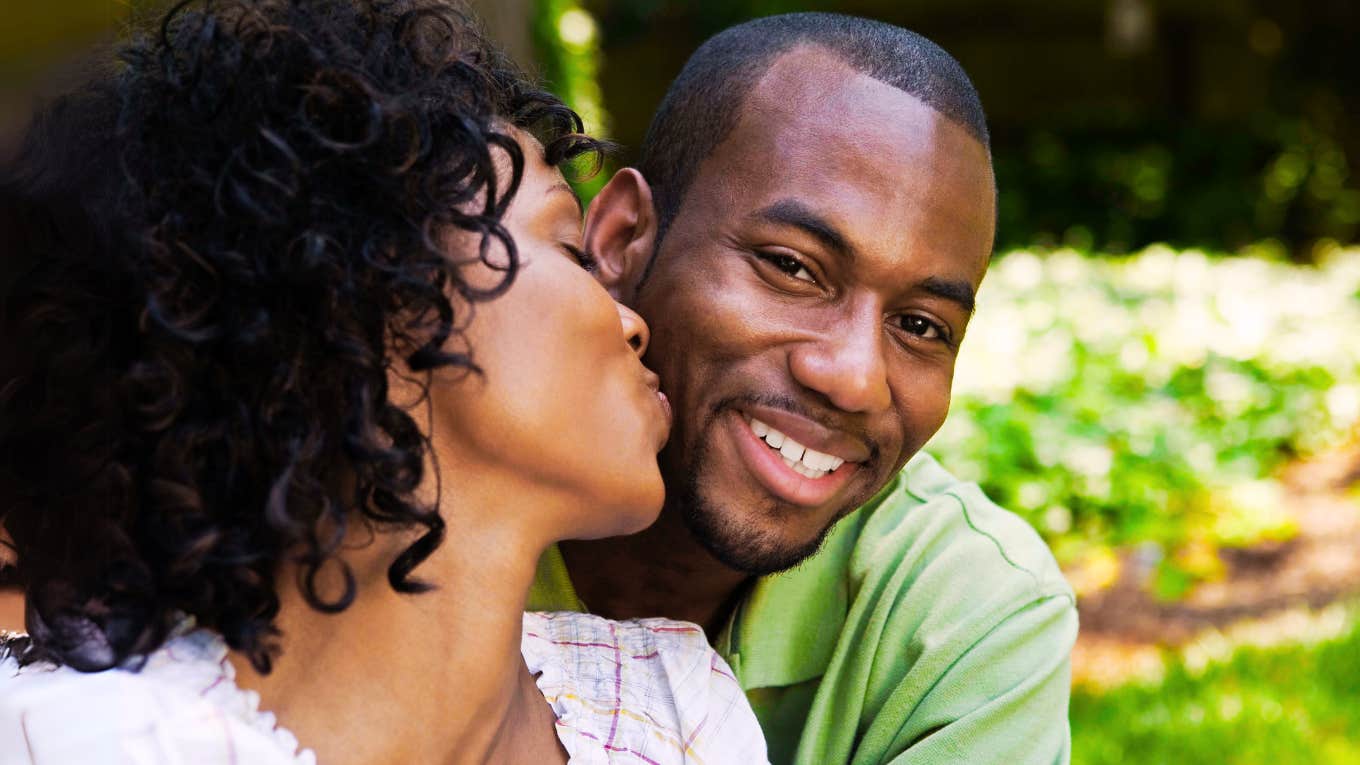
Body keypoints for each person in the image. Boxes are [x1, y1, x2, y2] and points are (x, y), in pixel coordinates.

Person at [0, 2, 767, 763]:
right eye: (568, 247)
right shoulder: (75, 737)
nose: (631, 322)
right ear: (373, 299)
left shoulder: (675, 713)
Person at [528, 13, 1079, 765]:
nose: (854, 379)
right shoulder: (417, 486)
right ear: (625, 238)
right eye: (792, 267)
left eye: (921, 325)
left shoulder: (960, 614)